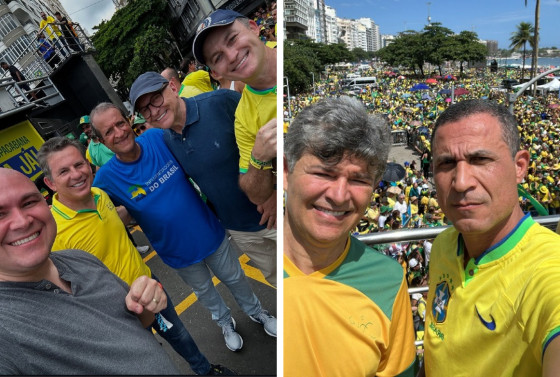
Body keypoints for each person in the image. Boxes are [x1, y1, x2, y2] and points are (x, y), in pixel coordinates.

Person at [36, 137, 234, 376]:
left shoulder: (100, 194)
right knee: (149, 362)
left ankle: (205, 371)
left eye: (79, 165)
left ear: (89, 165)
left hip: (150, 285)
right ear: (51, 183)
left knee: (180, 336)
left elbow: (116, 221)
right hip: (116, 313)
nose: (76, 174)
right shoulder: (53, 231)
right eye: (64, 171)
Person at [89, 103, 276, 353]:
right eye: (108, 131)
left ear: (129, 120)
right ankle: (224, 323)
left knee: (235, 278)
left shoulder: (158, 138)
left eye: (120, 123)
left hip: (209, 232)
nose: (119, 133)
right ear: (101, 141)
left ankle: (257, 312)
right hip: (176, 251)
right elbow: (98, 216)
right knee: (204, 292)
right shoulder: (105, 179)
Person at [422, 99, 560, 376]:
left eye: (480, 160)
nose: (461, 182)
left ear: (520, 167)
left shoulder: (548, 271)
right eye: (447, 163)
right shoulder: (444, 244)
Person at [0, 168, 179, 375]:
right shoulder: (6, 331)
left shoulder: (79, 258)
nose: (23, 221)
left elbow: (140, 322)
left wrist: (147, 301)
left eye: (29, 202)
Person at [283, 97, 416, 376]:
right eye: (323, 173)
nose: (339, 195)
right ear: (285, 172)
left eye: (358, 180)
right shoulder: (259, 254)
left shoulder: (389, 281)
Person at [130, 71, 277, 285]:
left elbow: (270, 138)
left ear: (172, 87)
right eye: (146, 109)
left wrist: (273, 190)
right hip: (240, 229)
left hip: (274, 214)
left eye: (156, 99)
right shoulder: (167, 141)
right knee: (278, 281)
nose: (154, 111)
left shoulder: (221, 102)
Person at [193, 9, 277, 226]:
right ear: (217, 72)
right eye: (218, 58)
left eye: (232, 39)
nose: (231, 56)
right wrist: (259, 158)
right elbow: (256, 194)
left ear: (253, 27)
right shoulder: (243, 116)